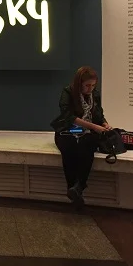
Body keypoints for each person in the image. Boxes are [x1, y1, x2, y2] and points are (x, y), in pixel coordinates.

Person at [50, 66, 111, 207]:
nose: (91, 89)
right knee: (69, 148)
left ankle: (77, 188)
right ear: (79, 84)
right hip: (68, 130)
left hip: (87, 133)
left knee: (87, 145)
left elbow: (99, 114)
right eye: (87, 85)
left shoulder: (94, 95)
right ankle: (75, 188)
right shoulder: (68, 92)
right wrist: (94, 127)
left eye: (93, 85)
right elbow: (69, 117)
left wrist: (105, 124)